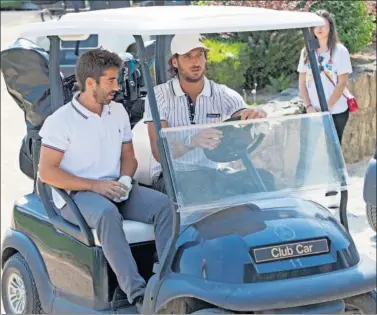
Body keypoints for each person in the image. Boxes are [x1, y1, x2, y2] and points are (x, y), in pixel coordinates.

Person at [38, 48, 172, 311]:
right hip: (76, 193)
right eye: (110, 80)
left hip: (114, 186)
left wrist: (124, 179)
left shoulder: (118, 112)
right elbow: (47, 172)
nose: (116, 86)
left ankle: (166, 281)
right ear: (91, 83)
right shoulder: (61, 121)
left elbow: (129, 158)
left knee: (166, 206)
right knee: (108, 215)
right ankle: (138, 295)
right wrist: (94, 185)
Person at [144, 33, 273, 195]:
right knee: (202, 187)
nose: (195, 61)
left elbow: (243, 116)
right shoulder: (158, 96)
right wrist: (191, 142)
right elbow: (159, 153)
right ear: (175, 62)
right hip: (171, 177)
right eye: (188, 56)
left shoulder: (223, 93)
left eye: (199, 54)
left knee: (264, 180)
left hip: (211, 174)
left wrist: (255, 116)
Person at [297, 10, 353, 207]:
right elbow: (302, 82)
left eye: (324, 24)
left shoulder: (339, 51)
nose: (320, 28)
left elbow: (341, 83)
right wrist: (308, 106)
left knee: (333, 148)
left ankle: (335, 190)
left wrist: (325, 108)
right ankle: (300, 188)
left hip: (335, 110)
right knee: (307, 149)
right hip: (311, 111)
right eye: (316, 25)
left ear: (330, 26)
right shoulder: (306, 52)